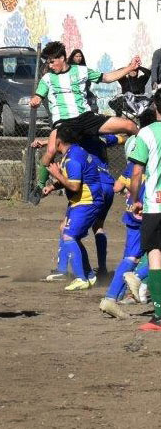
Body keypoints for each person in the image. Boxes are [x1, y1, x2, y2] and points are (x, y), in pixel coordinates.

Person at [30, 41, 139, 193]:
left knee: (129, 125)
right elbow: (38, 96)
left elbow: (106, 77)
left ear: (62, 58)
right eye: (48, 62)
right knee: (50, 151)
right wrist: (35, 100)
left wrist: (130, 68)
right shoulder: (47, 78)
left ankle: (145, 154)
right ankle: (39, 186)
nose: (49, 65)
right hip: (64, 122)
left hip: (86, 117)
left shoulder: (81, 71)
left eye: (52, 61)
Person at [42, 125, 104, 292]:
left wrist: (56, 174)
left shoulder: (73, 158)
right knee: (66, 231)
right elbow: (71, 177)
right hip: (80, 201)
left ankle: (80, 278)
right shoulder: (73, 151)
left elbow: (75, 186)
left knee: (69, 235)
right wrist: (52, 187)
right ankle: (89, 275)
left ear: (59, 141)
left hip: (86, 201)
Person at [100, 127, 149, 319]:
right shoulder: (154, 160)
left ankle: (111, 298)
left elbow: (117, 186)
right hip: (148, 209)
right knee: (156, 253)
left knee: (130, 257)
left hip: (132, 213)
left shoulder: (132, 164)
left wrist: (132, 191)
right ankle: (137, 277)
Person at [128, 89, 161, 331]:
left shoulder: (146, 134)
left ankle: (159, 316)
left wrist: (134, 198)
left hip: (155, 204)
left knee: (156, 255)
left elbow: (137, 171)